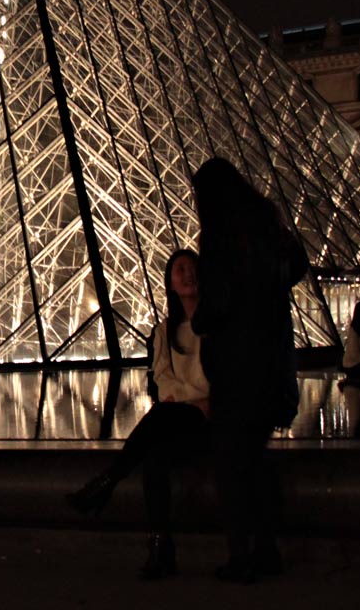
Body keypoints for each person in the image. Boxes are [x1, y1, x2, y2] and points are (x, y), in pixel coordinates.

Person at [189, 158, 307, 583]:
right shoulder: (268, 230)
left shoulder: (222, 240)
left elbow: (218, 303)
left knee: (231, 468)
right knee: (255, 463)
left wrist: (202, 320)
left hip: (236, 370)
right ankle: (267, 550)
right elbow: (298, 264)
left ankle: (241, 556)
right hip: (271, 366)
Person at [66, 249, 210, 579]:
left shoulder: (217, 328)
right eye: (180, 270)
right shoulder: (162, 333)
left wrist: (189, 397)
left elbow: (201, 383)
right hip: (182, 417)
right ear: (171, 284)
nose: (188, 274)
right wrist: (195, 397)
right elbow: (162, 384)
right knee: (156, 455)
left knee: (161, 418)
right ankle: (160, 545)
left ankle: (109, 480)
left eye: (192, 268)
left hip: (206, 421)